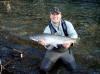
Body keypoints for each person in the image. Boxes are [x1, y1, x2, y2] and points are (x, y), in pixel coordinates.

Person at [39, 7, 78, 73]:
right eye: (53, 14)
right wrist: (46, 44)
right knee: (43, 69)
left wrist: (70, 43)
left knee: (74, 69)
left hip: (65, 50)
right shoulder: (47, 29)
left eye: (57, 14)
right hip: (53, 51)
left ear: (60, 15)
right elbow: (48, 46)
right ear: (50, 16)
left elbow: (74, 35)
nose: (55, 16)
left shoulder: (67, 24)